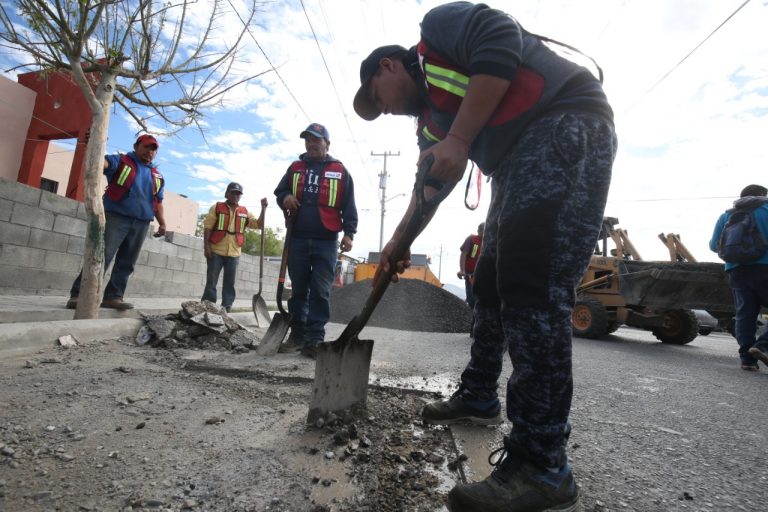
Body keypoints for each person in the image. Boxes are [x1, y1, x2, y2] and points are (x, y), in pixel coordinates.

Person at [353, 2, 617, 511]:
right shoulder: (431, 122)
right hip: (513, 164)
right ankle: (478, 395)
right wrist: (399, 242)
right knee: (491, 282)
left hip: (563, 123)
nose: (381, 107)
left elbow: (501, 39)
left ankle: (542, 465)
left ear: (388, 67)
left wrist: (460, 136)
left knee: (531, 288)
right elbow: (432, 180)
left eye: (376, 97)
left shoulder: (437, 31)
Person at [274, 123, 358, 359]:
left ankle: (314, 339)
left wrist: (349, 233)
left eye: (316, 140)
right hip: (298, 238)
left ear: (327, 144)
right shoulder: (295, 167)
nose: (311, 144)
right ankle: (298, 335)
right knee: (299, 290)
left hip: (326, 242)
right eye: (308, 140)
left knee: (320, 292)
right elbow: (280, 192)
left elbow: (349, 205)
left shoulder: (340, 171)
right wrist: (287, 197)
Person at [67, 134, 167, 310]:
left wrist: (163, 223)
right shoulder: (121, 161)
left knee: (127, 262)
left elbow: (157, 202)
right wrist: (94, 148)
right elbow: (103, 164)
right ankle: (79, 295)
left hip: (142, 222)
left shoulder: (157, 176)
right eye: (146, 147)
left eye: (153, 149)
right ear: (136, 146)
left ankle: (113, 297)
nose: (149, 152)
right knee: (101, 256)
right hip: (116, 217)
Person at [709, 184, 768, 372]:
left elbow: (713, 245)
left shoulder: (727, 214)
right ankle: (761, 345)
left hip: (737, 270)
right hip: (765, 267)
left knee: (745, 314)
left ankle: (747, 360)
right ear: (763, 196)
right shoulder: (766, 209)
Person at [201, 182, 267, 312]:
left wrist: (263, 209)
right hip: (216, 250)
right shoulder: (217, 207)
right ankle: (208, 306)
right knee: (211, 280)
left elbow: (258, 225)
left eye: (238, 194)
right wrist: (206, 248)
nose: (236, 196)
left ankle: (226, 307)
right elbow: (208, 228)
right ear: (227, 193)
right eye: (233, 193)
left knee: (229, 283)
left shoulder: (244, 211)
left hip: (234, 252)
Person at [458, 222, 485, 307]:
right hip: (471, 275)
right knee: (472, 299)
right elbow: (463, 254)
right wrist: (462, 270)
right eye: (483, 231)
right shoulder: (471, 239)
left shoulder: (489, 242)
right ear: (478, 231)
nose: (485, 234)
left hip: (483, 275)